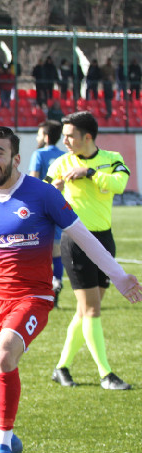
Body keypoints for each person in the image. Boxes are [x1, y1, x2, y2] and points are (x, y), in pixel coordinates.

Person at [0, 126, 141, 453]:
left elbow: (84, 236)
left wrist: (119, 276)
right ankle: (9, 440)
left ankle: (3, 442)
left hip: (33, 298)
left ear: (16, 159)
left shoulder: (43, 194)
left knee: (5, 355)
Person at [48, 111, 138, 390]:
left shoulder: (112, 159)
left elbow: (120, 185)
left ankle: (61, 367)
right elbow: (46, 193)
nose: (65, 140)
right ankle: (106, 374)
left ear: (87, 137)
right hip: (75, 242)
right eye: (63, 135)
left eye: (70, 135)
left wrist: (89, 173)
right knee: (91, 310)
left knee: (85, 310)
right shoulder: (60, 163)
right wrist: (55, 187)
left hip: (104, 241)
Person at [29, 119, 67, 304]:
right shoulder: (64, 156)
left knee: (37, 252)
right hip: (58, 206)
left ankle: (40, 292)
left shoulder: (38, 154)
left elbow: (33, 181)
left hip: (40, 209)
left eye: (38, 134)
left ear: (45, 136)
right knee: (57, 252)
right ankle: (57, 285)